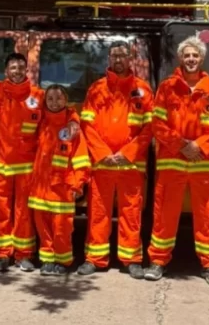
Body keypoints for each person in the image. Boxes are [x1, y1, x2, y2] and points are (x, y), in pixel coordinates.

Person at [0, 53, 80, 272]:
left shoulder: (37, 95)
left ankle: (24, 254)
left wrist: (74, 121)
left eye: (21, 67)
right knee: (1, 210)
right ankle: (2, 254)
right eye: (12, 67)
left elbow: (60, 110)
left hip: (27, 165)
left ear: (27, 71)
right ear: (6, 71)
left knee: (23, 211)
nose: (16, 71)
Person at [144, 36, 209, 286]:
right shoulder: (167, 87)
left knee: (207, 215)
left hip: (204, 162)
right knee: (164, 214)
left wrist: (198, 146)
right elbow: (158, 124)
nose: (191, 59)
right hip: (173, 160)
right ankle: (158, 261)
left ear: (201, 58)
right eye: (187, 55)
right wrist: (182, 145)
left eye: (195, 55)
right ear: (180, 58)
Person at [76, 41, 154, 279]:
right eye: (114, 56)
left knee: (131, 213)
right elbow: (87, 125)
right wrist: (103, 154)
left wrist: (127, 153)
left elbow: (150, 128)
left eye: (123, 56)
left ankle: (131, 259)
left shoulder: (142, 89)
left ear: (131, 58)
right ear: (108, 60)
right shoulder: (96, 89)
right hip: (103, 164)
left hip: (131, 164)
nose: (118, 60)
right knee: (98, 212)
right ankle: (95, 258)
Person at [27, 85, 90, 275]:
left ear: (67, 101)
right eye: (50, 99)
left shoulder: (72, 128)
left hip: (62, 189)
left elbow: (81, 158)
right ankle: (47, 260)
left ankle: (63, 261)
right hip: (40, 187)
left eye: (59, 98)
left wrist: (78, 183)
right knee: (43, 227)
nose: (55, 103)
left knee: (62, 229)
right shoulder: (40, 122)